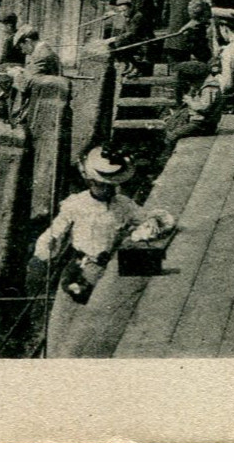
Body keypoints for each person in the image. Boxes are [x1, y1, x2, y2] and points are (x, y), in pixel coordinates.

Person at [33, 146, 148, 358]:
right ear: (91, 182)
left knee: (103, 318)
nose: (107, 190)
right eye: (101, 185)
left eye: (111, 186)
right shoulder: (77, 204)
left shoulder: (123, 205)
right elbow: (56, 231)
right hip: (82, 267)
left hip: (110, 268)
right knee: (67, 318)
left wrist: (139, 231)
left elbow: (143, 221)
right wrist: (48, 246)